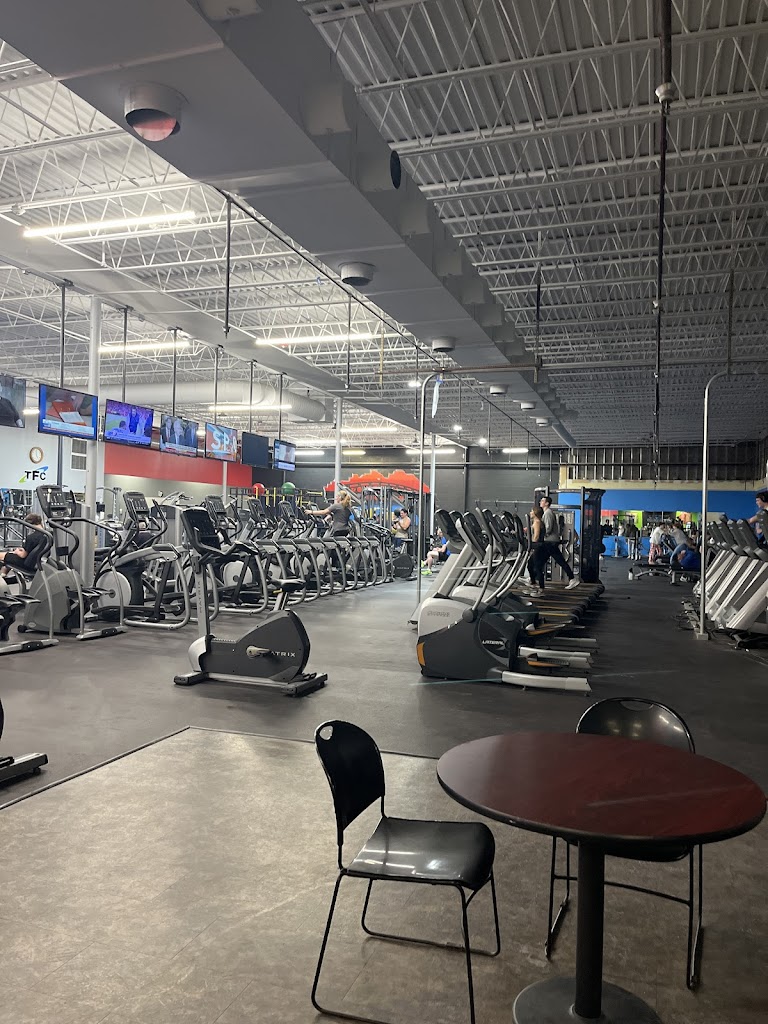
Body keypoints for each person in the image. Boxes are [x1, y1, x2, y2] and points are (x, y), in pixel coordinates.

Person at [539, 495, 580, 589]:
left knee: (540, 560)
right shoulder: (547, 513)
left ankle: (532, 579)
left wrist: (540, 534)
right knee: (554, 560)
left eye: (542, 500)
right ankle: (572, 578)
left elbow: (548, 528)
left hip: (550, 541)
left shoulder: (548, 513)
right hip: (550, 541)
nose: (540, 502)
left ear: (547, 503)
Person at [524, 506, 547, 596]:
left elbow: (536, 536)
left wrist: (531, 545)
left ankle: (541, 589)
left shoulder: (537, 522)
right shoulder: (536, 522)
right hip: (539, 547)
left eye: (532, 511)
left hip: (538, 547)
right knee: (530, 565)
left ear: (535, 513)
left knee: (537, 568)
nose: (530, 513)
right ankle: (533, 584)